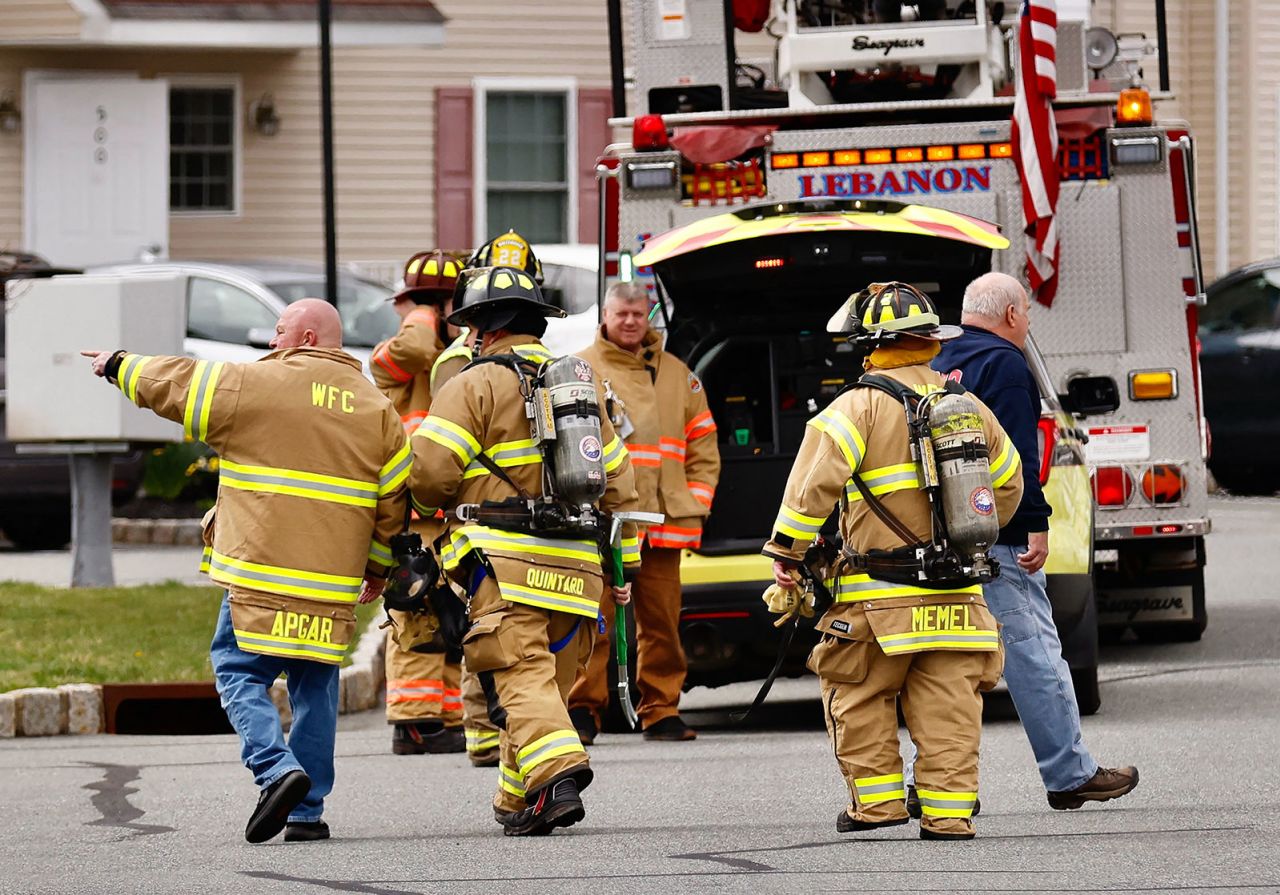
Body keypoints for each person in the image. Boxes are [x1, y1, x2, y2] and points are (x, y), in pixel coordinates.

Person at [81, 299, 408, 844]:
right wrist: (376, 569)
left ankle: (275, 770)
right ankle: (306, 812)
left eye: (280, 332)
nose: (273, 342)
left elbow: (181, 383)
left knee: (237, 671)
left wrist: (119, 365)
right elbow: (394, 504)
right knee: (315, 688)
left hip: (260, 574)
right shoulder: (378, 410)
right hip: (330, 588)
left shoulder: (258, 385)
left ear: (305, 337)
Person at [761, 282, 1023, 841]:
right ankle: (948, 814)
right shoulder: (967, 406)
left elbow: (811, 489)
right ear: (929, 340)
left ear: (868, 343)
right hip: (959, 596)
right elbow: (1008, 484)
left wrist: (789, 553)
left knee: (857, 693)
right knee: (951, 708)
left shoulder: (853, 409)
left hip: (879, 601)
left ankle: (876, 807)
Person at [407, 267, 642, 836]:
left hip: (502, 565)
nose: (468, 340)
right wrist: (623, 568)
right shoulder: (582, 391)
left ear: (485, 329)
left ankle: (559, 776)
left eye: (470, 329)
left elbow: (432, 478)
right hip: (581, 569)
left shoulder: (470, 384)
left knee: (519, 680)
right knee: (540, 693)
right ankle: (520, 801)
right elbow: (620, 486)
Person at [920, 271, 1139, 811]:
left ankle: (933, 787)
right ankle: (1070, 775)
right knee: (1034, 655)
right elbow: (1015, 458)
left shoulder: (930, 362)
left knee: (941, 669)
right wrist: (1033, 525)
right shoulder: (1006, 363)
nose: (1028, 322)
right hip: (994, 539)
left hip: (931, 540)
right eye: (1028, 314)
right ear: (1013, 315)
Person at [567, 282, 721, 743]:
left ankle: (662, 710)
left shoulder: (677, 374)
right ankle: (581, 710)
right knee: (594, 620)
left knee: (662, 624)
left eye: (639, 314)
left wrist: (695, 501)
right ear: (606, 317)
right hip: (605, 524)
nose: (632, 322)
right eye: (622, 315)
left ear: (648, 316)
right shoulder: (581, 369)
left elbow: (703, 444)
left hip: (663, 523)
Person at [370, 250, 473, 758]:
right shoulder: (399, 357)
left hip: (452, 509)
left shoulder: (462, 358)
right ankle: (413, 722)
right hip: (415, 514)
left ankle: (446, 715)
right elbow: (413, 347)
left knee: (455, 615)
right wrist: (428, 312)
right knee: (415, 613)